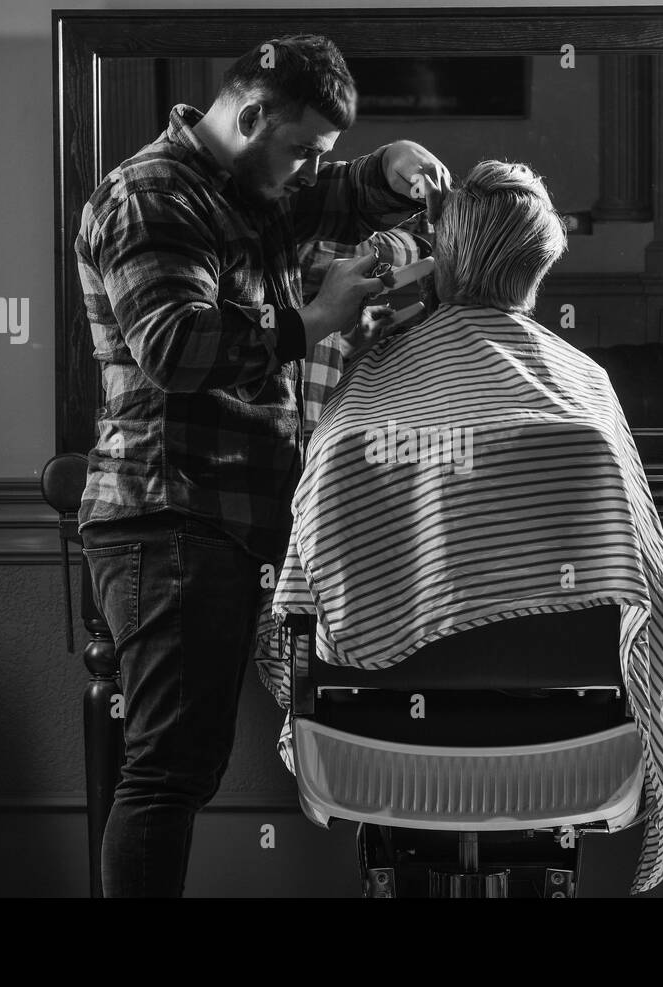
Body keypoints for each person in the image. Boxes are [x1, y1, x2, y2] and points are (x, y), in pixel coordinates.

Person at [74, 33, 450, 897]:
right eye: (303, 149)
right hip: (166, 514)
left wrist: (389, 166)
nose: (311, 169)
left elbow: (340, 192)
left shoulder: (257, 183)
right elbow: (174, 347)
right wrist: (315, 320)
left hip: (220, 520)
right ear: (250, 117)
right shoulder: (151, 194)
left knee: (182, 767)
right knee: (166, 773)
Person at [262, 160, 663, 893]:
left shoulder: (367, 395)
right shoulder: (584, 399)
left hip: (367, 743)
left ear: (445, 262)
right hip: (575, 744)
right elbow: (645, 589)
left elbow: (304, 595)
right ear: (537, 267)